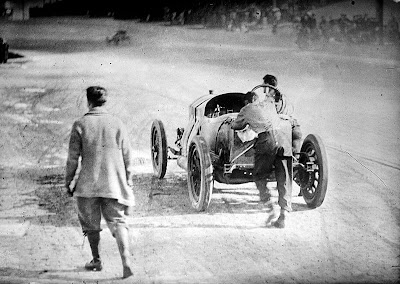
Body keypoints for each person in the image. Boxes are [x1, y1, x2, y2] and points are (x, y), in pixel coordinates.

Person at [65, 86, 135, 278]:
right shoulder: (117, 123)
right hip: (113, 185)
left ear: (89, 101)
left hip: (87, 186)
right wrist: (128, 179)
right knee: (119, 222)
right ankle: (126, 260)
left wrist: (69, 182)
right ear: (105, 102)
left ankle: (96, 260)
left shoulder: (80, 124)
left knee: (91, 225)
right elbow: (128, 156)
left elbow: (73, 159)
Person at [231, 91, 292, 228]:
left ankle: (270, 207)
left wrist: (237, 123)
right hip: (283, 139)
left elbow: (236, 126)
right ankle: (283, 214)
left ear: (249, 100)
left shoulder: (246, 109)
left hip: (266, 141)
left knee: (259, 176)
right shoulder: (269, 103)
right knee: (284, 177)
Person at [262, 74, 302, 158]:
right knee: (295, 153)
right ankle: (296, 160)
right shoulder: (284, 96)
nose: (263, 89)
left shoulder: (269, 99)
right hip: (293, 126)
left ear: (267, 86)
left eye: (263, 86)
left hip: (279, 129)